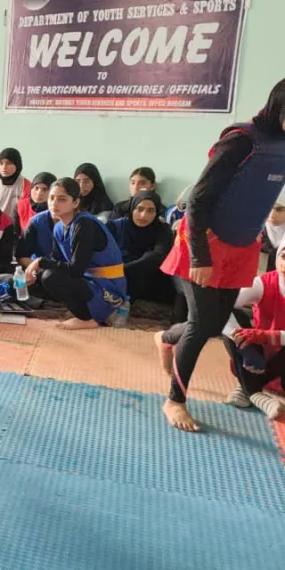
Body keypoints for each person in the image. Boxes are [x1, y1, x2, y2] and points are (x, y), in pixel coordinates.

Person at [155, 79, 285, 432]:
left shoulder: (282, 143)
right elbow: (197, 199)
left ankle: (166, 339)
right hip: (205, 241)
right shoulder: (241, 140)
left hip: (242, 244)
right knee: (201, 326)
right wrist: (198, 256)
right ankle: (174, 400)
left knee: (214, 324)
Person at [24, 178, 127, 330]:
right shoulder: (59, 227)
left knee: (51, 277)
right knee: (37, 279)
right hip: (86, 279)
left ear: (75, 203)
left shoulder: (84, 224)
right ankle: (85, 311)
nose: (54, 203)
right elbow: (56, 260)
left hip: (106, 284)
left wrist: (39, 262)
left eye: (62, 199)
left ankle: (88, 317)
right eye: (52, 198)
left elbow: (75, 269)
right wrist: (35, 271)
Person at [215, 243, 285, 419]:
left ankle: (247, 388)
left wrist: (269, 336)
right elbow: (219, 309)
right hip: (260, 354)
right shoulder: (262, 283)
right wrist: (245, 347)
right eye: (284, 257)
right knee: (231, 321)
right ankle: (256, 393)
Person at [108, 191, 175, 306]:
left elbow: (158, 255)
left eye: (150, 211)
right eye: (139, 209)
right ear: (132, 208)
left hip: (145, 275)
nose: (144, 215)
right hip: (113, 272)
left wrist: (123, 269)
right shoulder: (115, 226)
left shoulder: (162, 230)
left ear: (156, 212)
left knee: (146, 266)